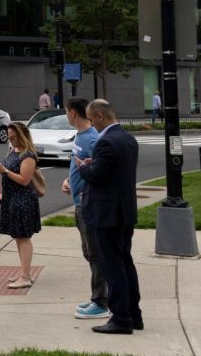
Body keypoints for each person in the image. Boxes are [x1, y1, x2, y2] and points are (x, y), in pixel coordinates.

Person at [76, 99, 143, 335]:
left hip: (107, 214)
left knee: (113, 266)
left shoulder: (106, 141)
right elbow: (114, 171)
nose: (91, 124)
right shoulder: (127, 138)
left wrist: (83, 168)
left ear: (100, 116)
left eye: (92, 119)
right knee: (125, 262)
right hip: (125, 211)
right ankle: (134, 314)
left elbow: (96, 176)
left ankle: (121, 318)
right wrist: (95, 165)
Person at [61, 97, 108, 321]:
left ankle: (101, 302)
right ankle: (96, 297)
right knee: (89, 253)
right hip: (80, 203)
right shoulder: (80, 137)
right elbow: (80, 165)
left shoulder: (93, 139)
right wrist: (69, 180)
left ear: (72, 113)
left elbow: (100, 171)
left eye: (66, 112)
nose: (66, 116)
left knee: (95, 254)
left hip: (89, 205)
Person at [0, 122, 41, 288]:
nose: (10, 140)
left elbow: (24, 180)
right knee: (18, 237)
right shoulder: (14, 150)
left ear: (22, 135)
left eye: (13, 137)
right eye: (9, 137)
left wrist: (4, 170)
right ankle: (23, 272)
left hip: (23, 200)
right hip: (12, 198)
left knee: (23, 237)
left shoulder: (28, 155)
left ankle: (26, 277)